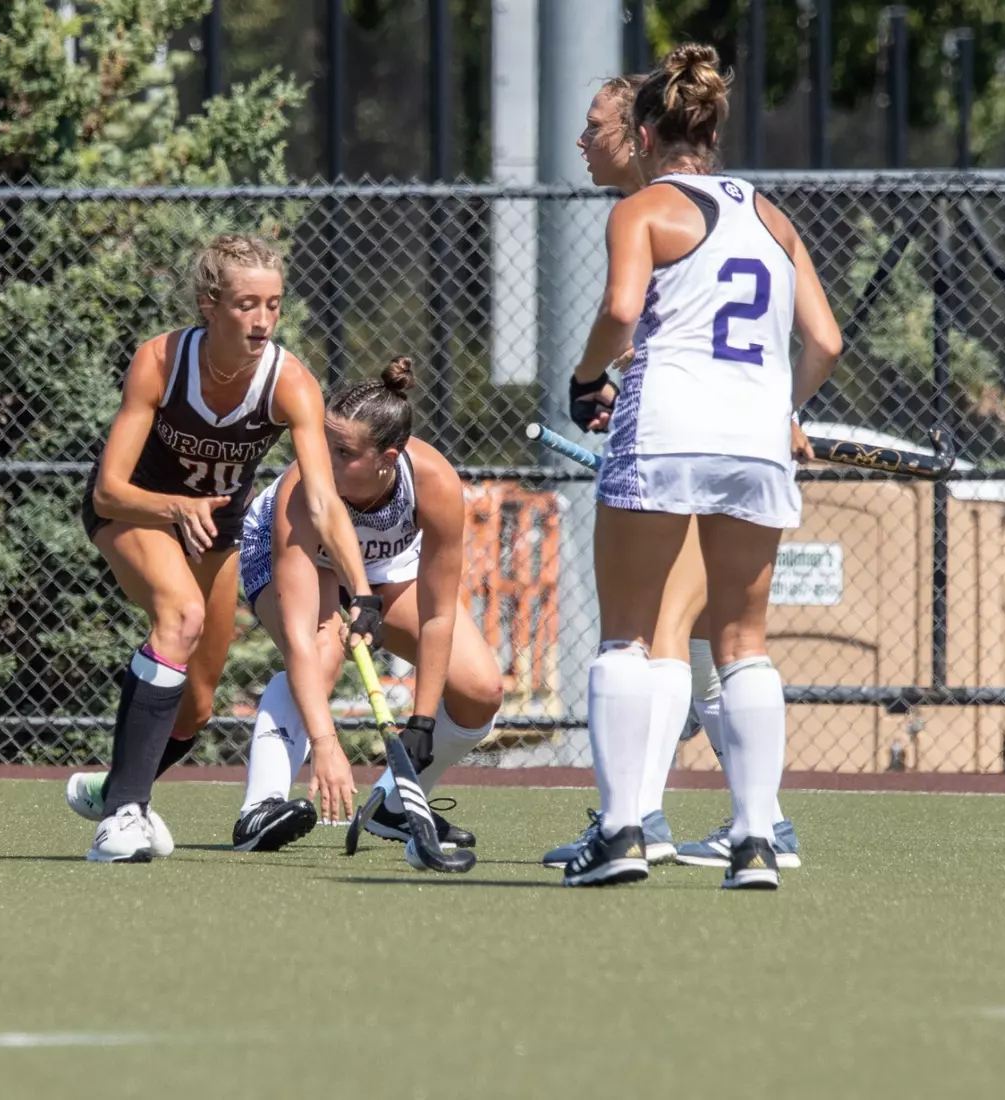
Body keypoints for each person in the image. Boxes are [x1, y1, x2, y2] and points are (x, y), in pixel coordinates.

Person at [559, 43, 841, 888]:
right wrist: (787, 412)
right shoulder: (773, 216)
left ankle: (619, 834)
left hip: (665, 426)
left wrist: (585, 378)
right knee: (743, 643)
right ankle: (756, 839)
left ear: (645, 134)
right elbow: (824, 342)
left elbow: (620, 310)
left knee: (627, 635)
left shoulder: (644, 208)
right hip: (757, 440)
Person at [65, 233, 381, 862]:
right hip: (138, 513)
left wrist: (363, 590)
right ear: (211, 304)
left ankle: (116, 789)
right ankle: (124, 816)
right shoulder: (160, 361)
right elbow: (108, 490)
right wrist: (174, 507)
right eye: (245, 305)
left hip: (217, 529)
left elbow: (323, 502)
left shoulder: (291, 383)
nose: (262, 320)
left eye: (273, 304)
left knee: (196, 707)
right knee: (179, 615)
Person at [231, 358, 504, 853]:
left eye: (342, 452)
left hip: (385, 569)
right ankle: (260, 808)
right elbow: (297, 636)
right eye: (321, 443)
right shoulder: (303, 489)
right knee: (323, 650)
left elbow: (438, 611)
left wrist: (421, 724)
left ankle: (396, 807)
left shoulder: (434, 483)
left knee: (480, 690)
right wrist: (327, 743)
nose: (323, 461)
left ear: (387, 456)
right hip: (298, 557)